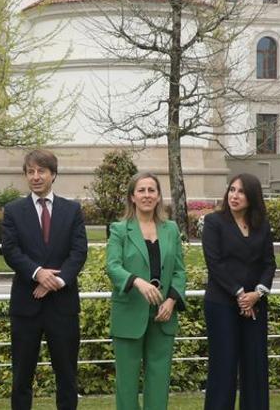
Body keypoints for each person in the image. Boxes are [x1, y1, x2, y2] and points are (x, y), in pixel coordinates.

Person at [0, 149, 88, 410]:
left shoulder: (72, 210)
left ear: (53, 174)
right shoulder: (14, 211)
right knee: (22, 378)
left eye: (42, 171)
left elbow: (79, 251)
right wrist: (38, 273)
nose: (36, 177)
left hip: (63, 306)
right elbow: (11, 250)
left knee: (67, 377)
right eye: (31, 172)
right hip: (26, 307)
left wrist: (56, 282)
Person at [105, 172, 187, 410]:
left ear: (159, 196)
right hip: (129, 311)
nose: (147, 195)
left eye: (152, 190)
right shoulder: (120, 229)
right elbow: (113, 266)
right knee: (127, 382)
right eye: (141, 190)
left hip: (163, 313)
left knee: (159, 378)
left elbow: (179, 271)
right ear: (132, 196)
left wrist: (171, 300)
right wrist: (138, 282)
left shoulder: (170, 229)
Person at [201, 173, 276, 410]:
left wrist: (257, 294)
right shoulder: (214, 222)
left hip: (255, 305)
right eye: (232, 190)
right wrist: (241, 294)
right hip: (222, 304)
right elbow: (214, 263)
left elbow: (269, 263)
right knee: (223, 366)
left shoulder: (261, 225)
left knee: (255, 366)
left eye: (241, 191)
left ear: (252, 196)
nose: (234, 195)